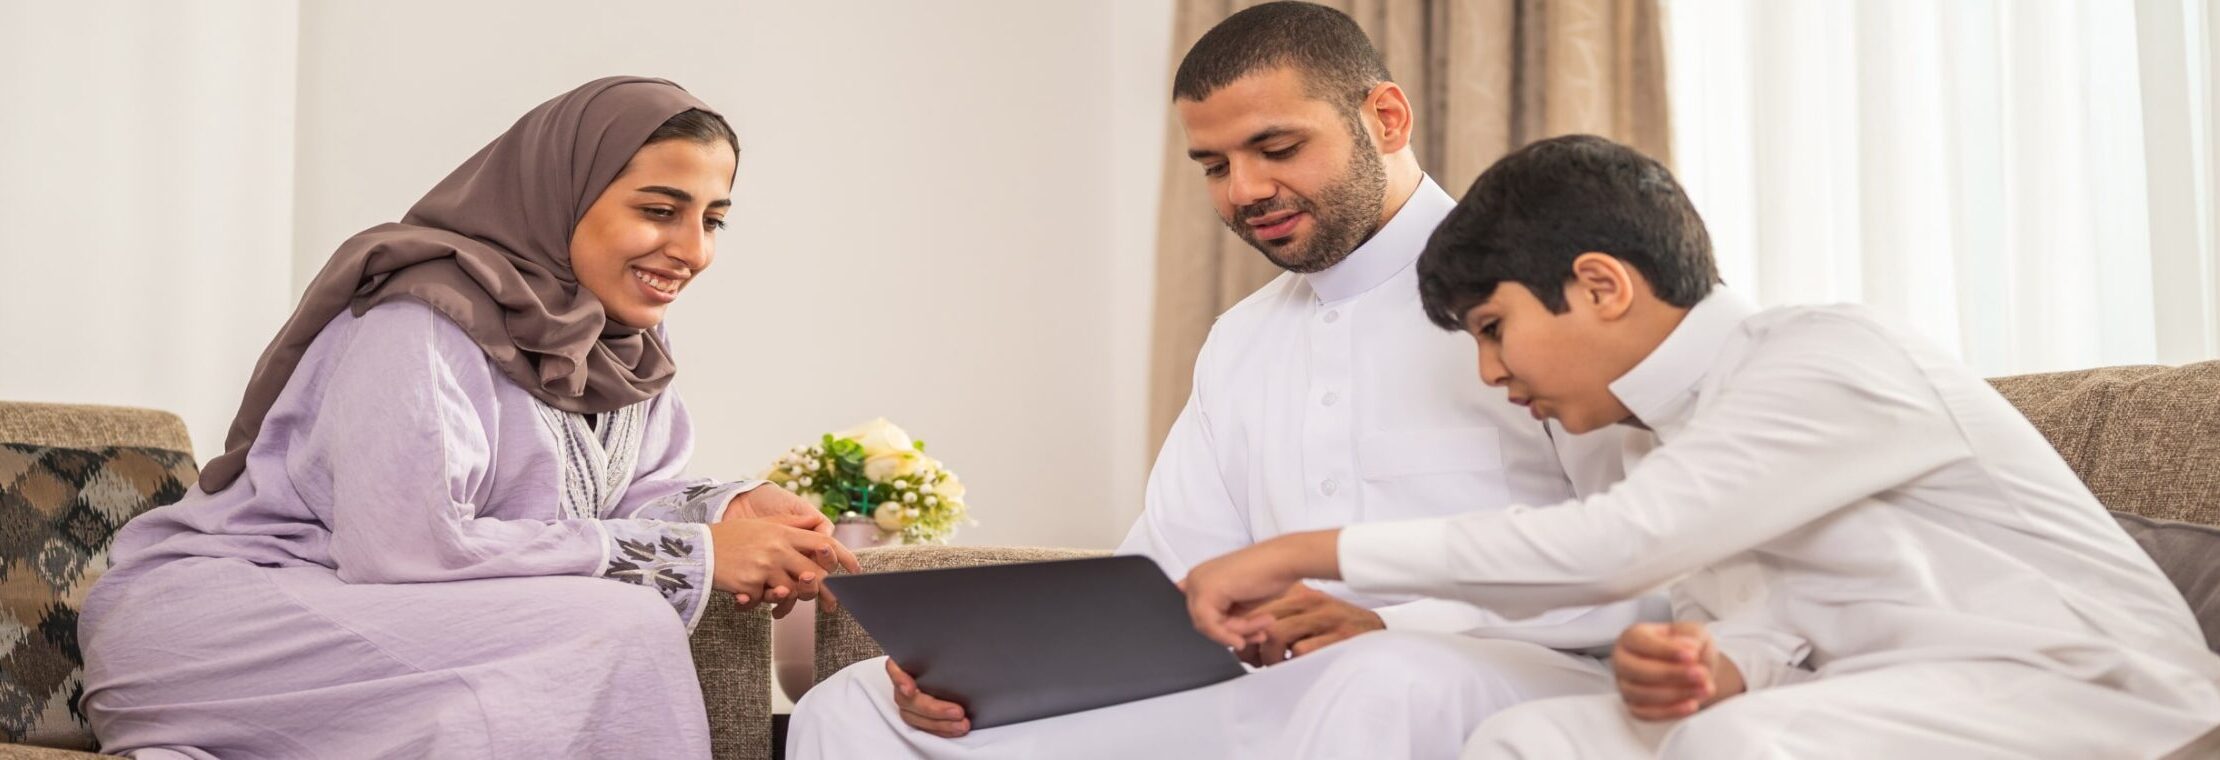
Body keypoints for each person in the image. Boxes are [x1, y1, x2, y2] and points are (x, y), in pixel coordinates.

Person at [788, 5, 1652, 758]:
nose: (1245, 191)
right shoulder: (1240, 340)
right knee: (854, 705)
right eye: (1213, 165)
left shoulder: (1541, 293)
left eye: (1276, 148)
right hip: (1273, 689)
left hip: (1507, 672)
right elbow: (1166, 572)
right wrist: (979, 671)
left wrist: (1399, 624)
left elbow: (1652, 555)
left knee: (1380, 677)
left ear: (1385, 117)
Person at [1181, 133, 2220, 758]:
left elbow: (1612, 546)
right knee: (1529, 737)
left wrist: (1301, 548)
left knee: (1737, 744)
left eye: (1494, 329)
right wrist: (1709, 666)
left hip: (2094, 690)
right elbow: (1781, 631)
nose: (1494, 376)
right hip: (1889, 706)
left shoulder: (1829, 355)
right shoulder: (1656, 442)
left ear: (1600, 285)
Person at [79, 76, 859, 759]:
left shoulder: (627, 349)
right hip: (238, 625)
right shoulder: (422, 321)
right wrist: (695, 556)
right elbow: (404, 544)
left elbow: (606, 505)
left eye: (713, 220)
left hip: (405, 615)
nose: (692, 249)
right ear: (560, 195)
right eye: (660, 210)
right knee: (621, 625)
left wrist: (725, 509)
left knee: (534, 679)